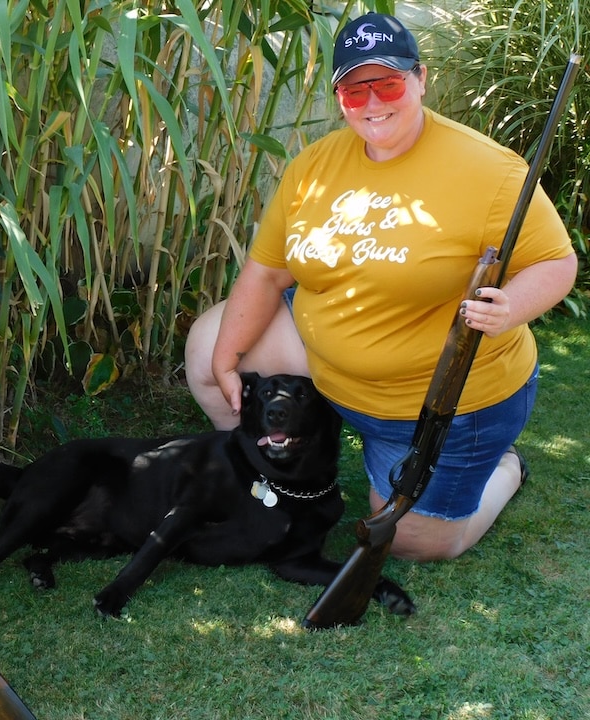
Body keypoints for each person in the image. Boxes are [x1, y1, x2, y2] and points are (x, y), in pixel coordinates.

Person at [185, 13, 576, 564]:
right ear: (340, 96)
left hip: (438, 400)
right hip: (325, 363)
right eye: (353, 89)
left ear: (420, 79)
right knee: (206, 349)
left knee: (413, 544)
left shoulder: (491, 171)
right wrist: (227, 359)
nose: (372, 103)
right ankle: (273, 481)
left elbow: (557, 264)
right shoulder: (313, 168)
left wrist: (510, 308)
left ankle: (505, 466)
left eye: (388, 83)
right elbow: (269, 271)